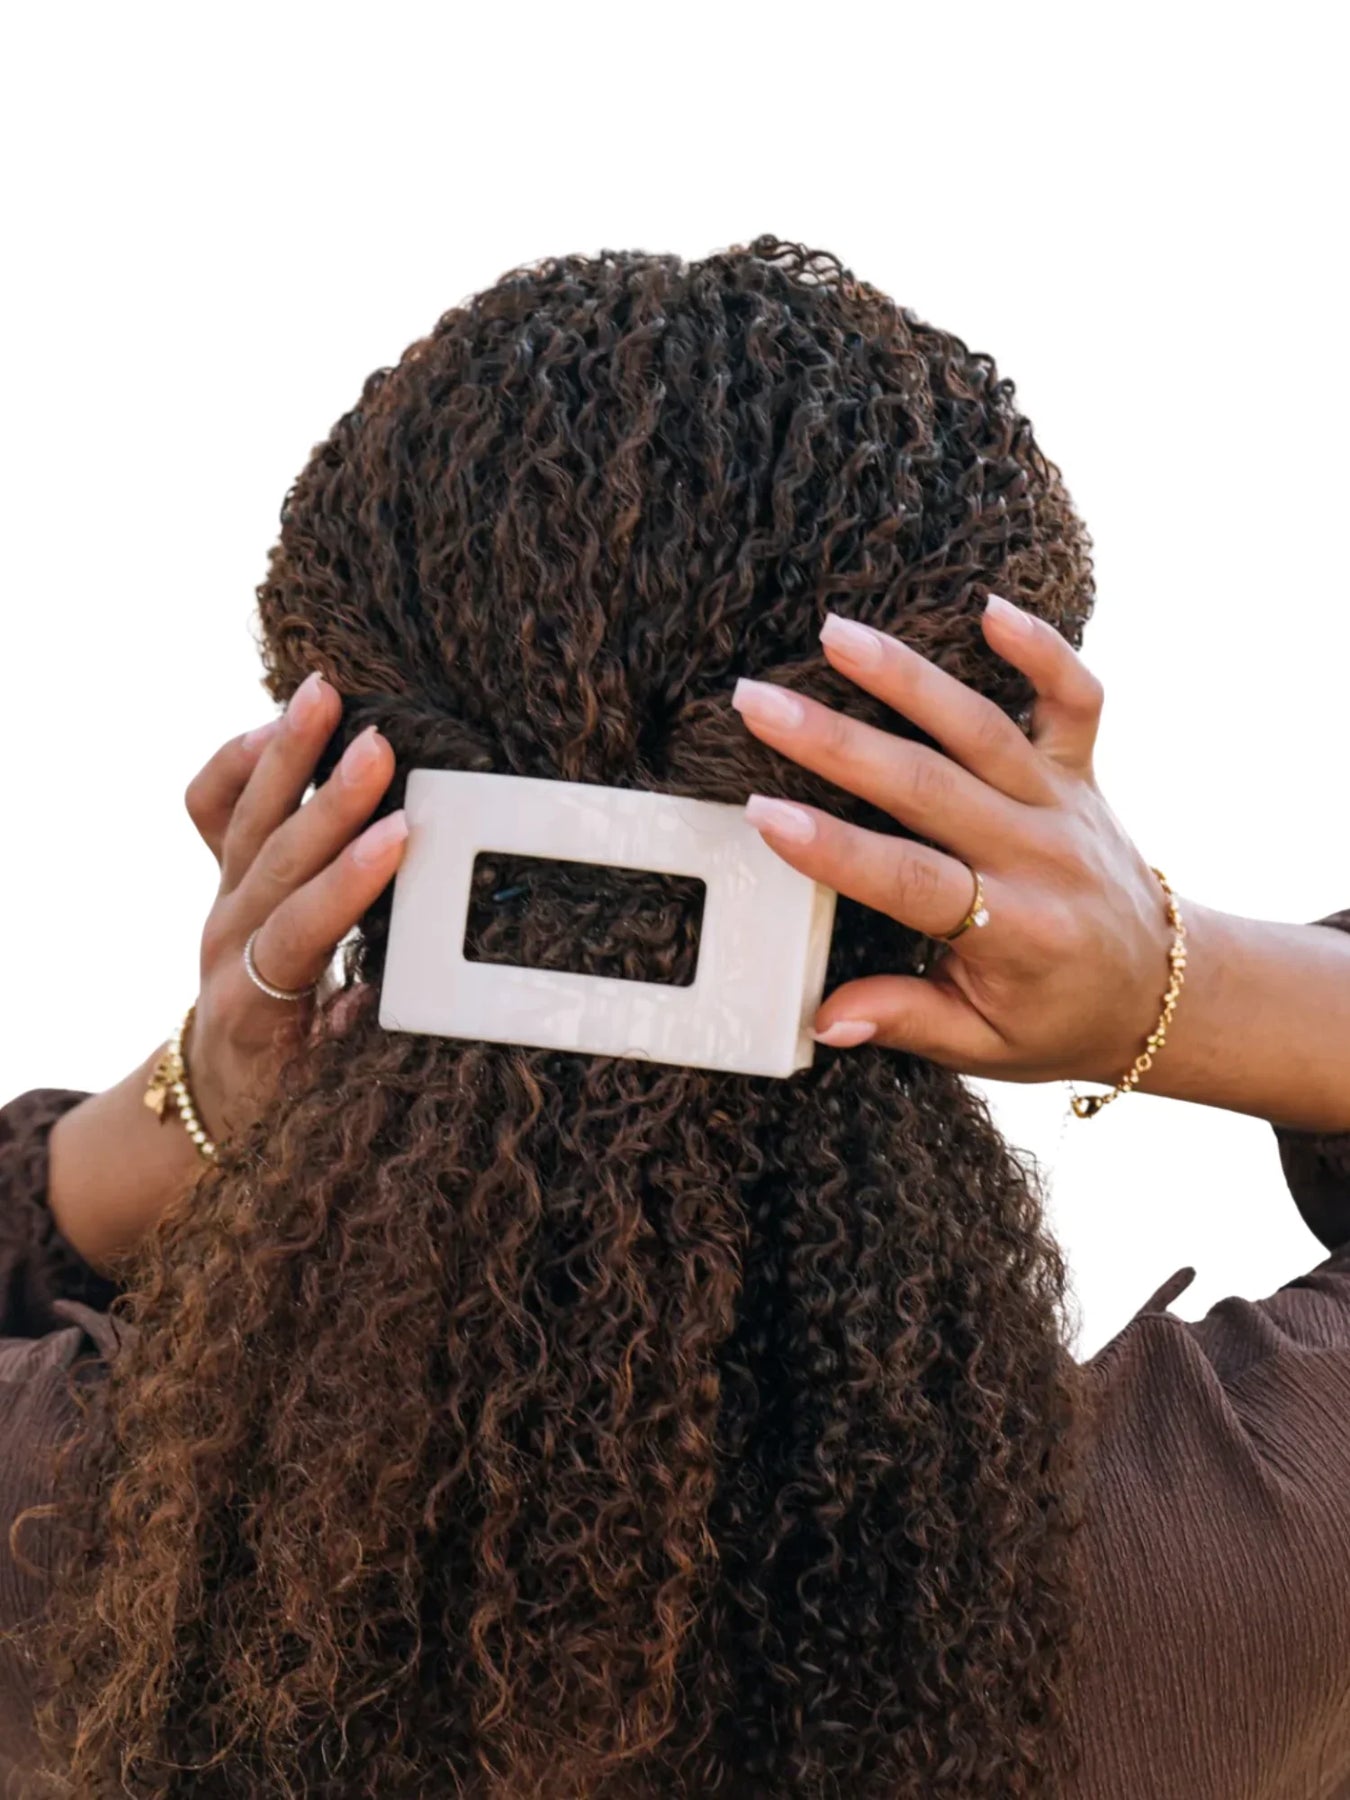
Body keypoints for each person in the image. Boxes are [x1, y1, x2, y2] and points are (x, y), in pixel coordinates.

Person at [1, 235, 1347, 1800]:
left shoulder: (66, 1544)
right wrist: (1172, 981)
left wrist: (194, 1104)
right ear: (973, 819)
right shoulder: (1239, 1557)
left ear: (332, 794)